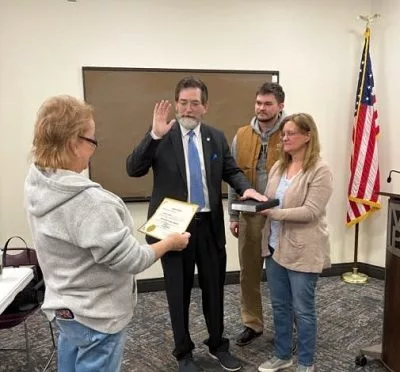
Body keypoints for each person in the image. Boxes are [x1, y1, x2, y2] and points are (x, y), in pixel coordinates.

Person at [24, 95, 190, 372]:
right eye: (92, 140)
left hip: (65, 308)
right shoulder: (91, 203)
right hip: (96, 316)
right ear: (72, 144)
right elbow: (132, 260)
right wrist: (169, 243)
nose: (94, 149)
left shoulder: (39, 182)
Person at [126, 76, 267, 372]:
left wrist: (246, 188)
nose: (188, 109)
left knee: (214, 288)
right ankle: (183, 353)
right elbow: (133, 168)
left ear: (205, 106)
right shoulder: (161, 135)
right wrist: (152, 135)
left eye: (194, 103)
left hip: (209, 225)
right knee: (178, 291)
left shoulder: (215, 137)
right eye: (183, 103)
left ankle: (217, 344)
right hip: (173, 228)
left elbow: (231, 169)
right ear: (176, 104)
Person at [257, 113, 333, 372]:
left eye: (290, 133)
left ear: (307, 136)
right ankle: (282, 355)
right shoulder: (279, 166)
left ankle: (305, 362)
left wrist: (273, 213)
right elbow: (271, 200)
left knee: (303, 310)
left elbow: (311, 211)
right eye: (283, 133)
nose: (284, 137)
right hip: (275, 246)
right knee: (280, 306)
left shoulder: (320, 170)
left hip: (304, 250)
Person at [228, 82, 286, 346]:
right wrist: (233, 215)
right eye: (258, 103)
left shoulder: (291, 132)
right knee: (249, 274)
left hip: (282, 217)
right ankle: (252, 324)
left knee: (283, 276)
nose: (262, 108)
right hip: (250, 217)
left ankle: (287, 328)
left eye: (268, 104)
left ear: (280, 106)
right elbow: (232, 177)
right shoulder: (241, 135)